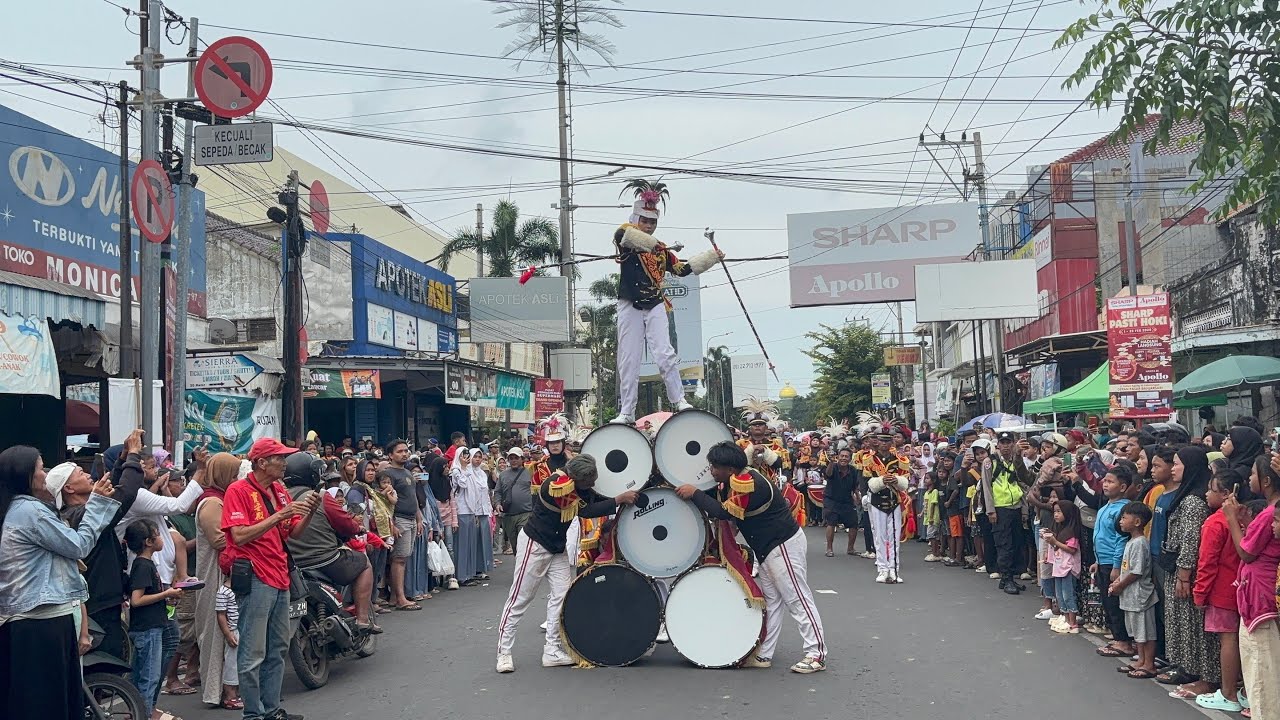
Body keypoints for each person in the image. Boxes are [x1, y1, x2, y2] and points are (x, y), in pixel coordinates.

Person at [677, 441, 827, 673]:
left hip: (782, 545)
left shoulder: (747, 483)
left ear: (729, 469)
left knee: (797, 599)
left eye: (714, 467)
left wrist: (695, 493)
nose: (711, 471)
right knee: (772, 603)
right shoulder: (736, 479)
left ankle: (816, 654)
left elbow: (723, 512)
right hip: (768, 548)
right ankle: (764, 653)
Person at [0, 445, 119, 720]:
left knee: (30, 700)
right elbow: (78, 546)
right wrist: (97, 504)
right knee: (51, 701)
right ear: (25, 475)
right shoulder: (30, 511)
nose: (46, 474)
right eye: (41, 468)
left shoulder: (13, 509)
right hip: (44, 619)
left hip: (24, 620)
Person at [494, 455, 637, 673]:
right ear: (578, 479)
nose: (593, 485)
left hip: (556, 547)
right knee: (520, 599)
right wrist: (619, 499)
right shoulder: (557, 486)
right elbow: (586, 510)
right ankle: (503, 653)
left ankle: (551, 650)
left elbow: (592, 499)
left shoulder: (574, 482)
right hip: (535, 544)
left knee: (561, 597)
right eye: (589, 482)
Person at [221, 438, 320, 720]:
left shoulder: (280, 490)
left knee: (277, 648)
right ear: (262, 463)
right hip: (255, 576)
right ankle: (253, 714)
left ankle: (272, 710)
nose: (285, 463)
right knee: (253, 651)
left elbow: (293, 532)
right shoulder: (237, 491)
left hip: (279, 574)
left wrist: (310, 511)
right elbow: (239, 535)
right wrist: (279, 516)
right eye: (279, 458)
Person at [609, 180, 721, 424]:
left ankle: (679, 400)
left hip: (655, 302)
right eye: (645, 221)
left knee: (665, 353)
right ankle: (627, 411)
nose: (649, 225)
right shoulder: (626, 235)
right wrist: (655, 247)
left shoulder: (661, 251)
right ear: (636, 219)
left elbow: (681, 269)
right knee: (629, 359)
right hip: (629, 303)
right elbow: (623, 236)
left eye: (653, 222)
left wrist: (711, 257)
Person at [58, 429, 148, 661]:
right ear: (68, 489)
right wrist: (134, 455)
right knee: (105, 663)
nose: (88, 475)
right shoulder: (82, 515)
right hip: (99, 603)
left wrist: (122, 459)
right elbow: (125, 494)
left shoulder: (80, 512)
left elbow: (112, 493)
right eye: (80, 473)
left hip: (101, 599)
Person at [281, 452, 379, 633]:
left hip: (293, 564)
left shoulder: (280, 497)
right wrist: (357, 528)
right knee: (364, 564)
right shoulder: (320, 496)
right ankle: (363, 619)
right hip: (326, 559)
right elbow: (345, 523)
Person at [1158, 446, 1220, 699]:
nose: (1173, 469)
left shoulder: (1193, 501)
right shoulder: (1187, 496)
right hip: (1179, 569)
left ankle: (1206, 677)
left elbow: (1191, 540)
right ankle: (1191, 669)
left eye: (1177, 464)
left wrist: (1184, 574)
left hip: (1188, 573)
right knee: (1184, 624)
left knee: (1194, 626)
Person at [1223, 453, 1280, 719]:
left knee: (1261, 671)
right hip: (1256, 593)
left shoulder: (1270, 513)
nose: (1249, 478)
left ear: (1266, 481)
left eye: (1254, 474)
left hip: (1261, 597)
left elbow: (1246, 552)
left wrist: (1231, 518)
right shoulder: (1269, 512)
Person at [1191, 467, 1251, 712]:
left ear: (1227, 493)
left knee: (1228, 640)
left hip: (1221, 589)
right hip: (1243, 587)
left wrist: (1200, 593)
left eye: (1211, 489)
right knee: (1242, 640)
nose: (1206, 494)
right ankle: (1244, 692)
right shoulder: (1246, 517)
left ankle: (1228, 694)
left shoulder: (1216, 522)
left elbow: (1207, 562)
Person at [193, 452, 243, 709]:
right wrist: (247, 533)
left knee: (230, 633)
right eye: (233, 475)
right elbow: (220, 540)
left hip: (224, 573)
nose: (236, 480)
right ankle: (218, 691)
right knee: (216, 634)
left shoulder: (222, 499)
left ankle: (230, 688)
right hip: (214, 575)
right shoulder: (212, 503)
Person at [125, 519, 185, 719]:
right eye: (158, 534)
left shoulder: (145, 564)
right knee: (149, 676)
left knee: (141, 674)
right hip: (148, 629)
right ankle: (145, 713)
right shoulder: (143, 566)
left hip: (150, 626)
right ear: (148, 542)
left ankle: (137, 711)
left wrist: (166, 597)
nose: (162, 538)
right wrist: (166, 593)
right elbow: (137, 600)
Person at [981, 431, 1033, 595]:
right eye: (1002, 443)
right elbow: (986, 487)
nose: (1006, 446)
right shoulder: (990, 462)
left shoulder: (1015, 461)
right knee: (1004, 545)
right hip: (1000, 508)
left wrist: (1024, 509)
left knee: (1016, 543)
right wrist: (990, 510)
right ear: (998, 444)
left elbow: (1022, 484)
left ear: (1013, 443)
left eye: (1008, 442)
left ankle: (1008, 578)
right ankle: (1007, 577)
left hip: (1016, 506)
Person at [1092, 464, 1136, 660]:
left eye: (1110, 482)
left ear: (1123, 487)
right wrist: (1097, 560)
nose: (1105, 484)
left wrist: (1116, 566)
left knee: (1115, 603)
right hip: (1102, 561)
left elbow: (1120, 539)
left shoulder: (1123, 509)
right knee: (1108, 602)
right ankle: (1118, 638)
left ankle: (1124, 642)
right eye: (1105, 481)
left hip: (1113, 562)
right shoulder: (1105, 507)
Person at [1111, 501, 1158, 679]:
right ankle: (1141, 660)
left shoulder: (1140, 543)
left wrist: (1120, 585)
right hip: (1130, 595)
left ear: (1137, 522)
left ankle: (1149, 664)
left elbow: (1136, 571)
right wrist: (1118, 582)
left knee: (1146, 631)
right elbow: (1127, 569)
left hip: (1140, 595)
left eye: (1124, 518)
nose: (1121, 521)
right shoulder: (1131, 541)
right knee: (1137, 631)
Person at [381, 440, 423, 611]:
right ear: (390, 455)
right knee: (399, 559)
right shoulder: (387, 474)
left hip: (411, 519)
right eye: (400, 451)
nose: (404, 454)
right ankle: (400, 598)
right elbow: (384, 502)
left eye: (406, 451)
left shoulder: (407, 472)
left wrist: (419, 519)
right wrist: (391, 523)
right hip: (399, 519)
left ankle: (394, 597)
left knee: (403, 558)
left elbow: (413, 497)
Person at [453, 447, 494, 586]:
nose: (474, 459)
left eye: (479, 456)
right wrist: (464, 467)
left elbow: (482, 493)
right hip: (463, 510)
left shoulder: (481, 473)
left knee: (472, 544)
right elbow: (463, 484)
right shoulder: (457, 471)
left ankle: (471, 572)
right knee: (463, 545)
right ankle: (462, 575)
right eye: (465, 455)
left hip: (474, 510)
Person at [1042, 500, 1082, 633]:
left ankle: (1073, 622)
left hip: (1068, 568)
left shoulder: (1071, 532)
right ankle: (1065, 619)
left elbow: (1071, 549)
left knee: (1068, 594)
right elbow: (1056, 547)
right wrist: (1050, 541)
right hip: (1059, 567)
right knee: (1059, 595)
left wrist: (1055, 541)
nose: (1056, 514)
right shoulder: (1060, 530)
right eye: (1054, 512)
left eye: (1059, 511)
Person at [821, 448, 858, 557]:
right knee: (831, 523)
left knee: (853, 524)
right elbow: (828, 474)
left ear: (850, 459)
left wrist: (857, 496)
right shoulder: (832, 466)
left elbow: (854, 486)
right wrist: (831, 462)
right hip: (831, 499)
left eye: (846, 456)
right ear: (838, 457)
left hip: (847, 500)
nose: (844, 458)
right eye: (842, 456)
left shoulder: (853, 470)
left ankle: (850, 548)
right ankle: (829, 548)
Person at [496, 448, 533, 557]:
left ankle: (526, 565)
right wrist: (497, 504)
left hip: (526, 513)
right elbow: (498, 492)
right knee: (515, 546)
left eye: (516, 458)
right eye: (511, 458)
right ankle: (519, 565)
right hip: (509, 516)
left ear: (522, 459)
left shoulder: (530, 472)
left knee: (524, 542)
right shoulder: (503, 475)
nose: (513, 460)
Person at [216, 578, 242, 711]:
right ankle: (230, 696)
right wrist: (227, 633)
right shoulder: (223, 591)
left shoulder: (243, 587)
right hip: (234, 631)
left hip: (244, 628)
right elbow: (221, 614)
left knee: (242, 663)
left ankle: (237, 693)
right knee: (232, 664)